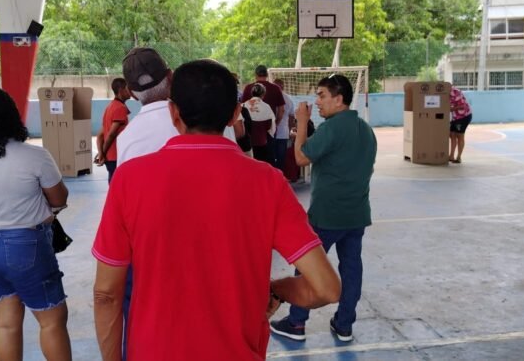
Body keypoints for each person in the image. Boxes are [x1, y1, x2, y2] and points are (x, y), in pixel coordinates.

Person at [92, 60, 340, 360]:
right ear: (235, 114)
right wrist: (277, 289)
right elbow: (327, 289)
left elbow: (106, 295)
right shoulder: (268, 183)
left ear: (173, 113)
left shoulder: (129, 180)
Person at [0, 88, 71, 361]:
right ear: (12, 115)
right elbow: (59, 198)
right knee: (52, 321)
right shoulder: (34, 156)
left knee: (6, 323)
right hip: (24, 247)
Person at [271, 74, 377, 343]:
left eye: (322, 96)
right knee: (351, 268)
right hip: (357, 213)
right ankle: (344, 323)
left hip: (328, 214)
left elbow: (300, 157)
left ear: (338, 99)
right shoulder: (365, 130)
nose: (317, 101)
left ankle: (296, 322)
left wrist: (302, 122)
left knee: (308, 268)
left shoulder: (332, 128)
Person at [112, 47, 178, 358]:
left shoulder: (128, 137)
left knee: (139, 317)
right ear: (170, 76)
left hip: (144, 247)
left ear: (130, 90)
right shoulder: (200, 121)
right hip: (198, 244)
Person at [241, 65, 285, 156]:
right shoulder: (275, 88)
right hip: (268, 131)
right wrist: (275, 124)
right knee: (268, 158)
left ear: (255, 75)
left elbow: (241, 109)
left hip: (250, 132)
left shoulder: (248, 88)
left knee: (251, 159)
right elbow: (281, 110)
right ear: (267, 75)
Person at [95, 78, 131, 183]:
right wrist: (102, 153)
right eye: (128, 88)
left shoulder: (110, 107)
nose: (130, 91)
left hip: (110, 158)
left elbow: (100, 135)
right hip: (116, 156)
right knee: (117, 185)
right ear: (121, 90)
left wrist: (101, 153)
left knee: (113, 183)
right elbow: (111, 134)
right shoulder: (120, 108)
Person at [244, 83, 276, 164]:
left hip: (246, 145)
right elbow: (272, 127)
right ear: (263, 94)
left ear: (252, 93)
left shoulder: (244, 105)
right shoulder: (267, 107)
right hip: (262, 143)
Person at [273, 78, 295, 170]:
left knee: (272, 158)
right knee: (281, 159)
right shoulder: (289, 99)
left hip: (272, 132)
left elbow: (291, 117)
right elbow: (291, 117)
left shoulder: (271, 97)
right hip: (283, 133)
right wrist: (289, 129)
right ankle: (280, 175)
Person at [449, 86, 472, 163]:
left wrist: (451, 109)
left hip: (463, 116)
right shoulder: (444, 93)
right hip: (455, 117)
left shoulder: (455, 92)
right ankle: (451, 156)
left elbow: (462, 106)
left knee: (460, 136)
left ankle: (458, 157)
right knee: (452, 134)